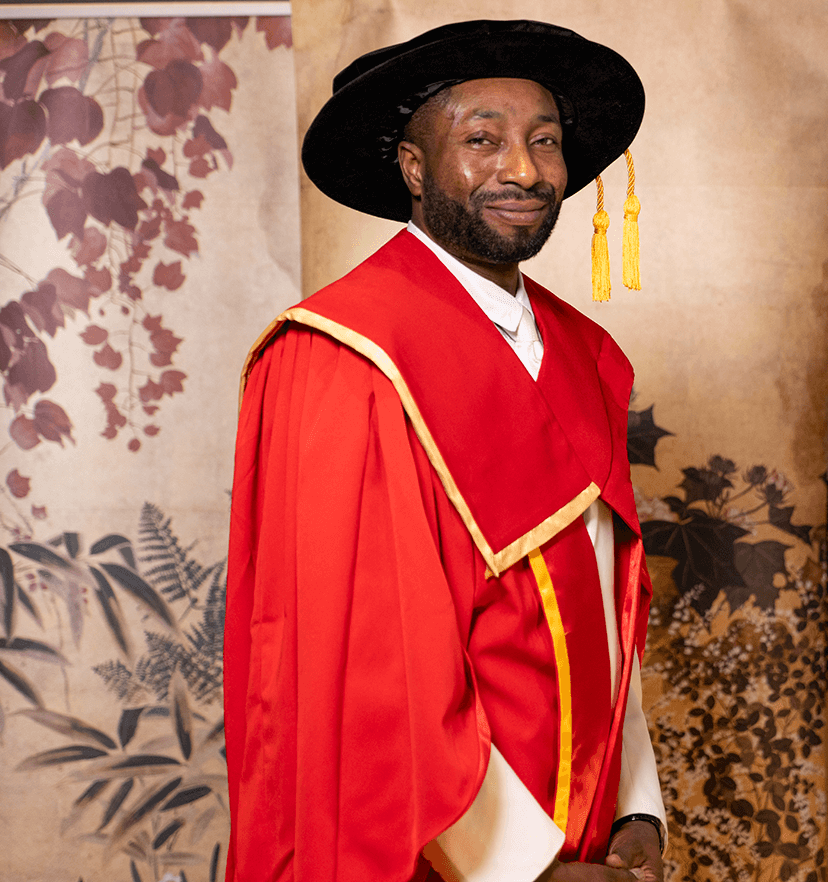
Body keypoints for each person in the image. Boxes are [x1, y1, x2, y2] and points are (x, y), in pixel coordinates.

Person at [224, 19, 665, 882]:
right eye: (482, 140)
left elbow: (602, 600)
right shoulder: (343, 357)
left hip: (588, 834)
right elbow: (359, 662)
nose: (526, 171)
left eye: (545, 141)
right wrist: (522, 868)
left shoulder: (584, 353)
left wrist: (635, 804)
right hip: (431, 850)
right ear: (415, 168)